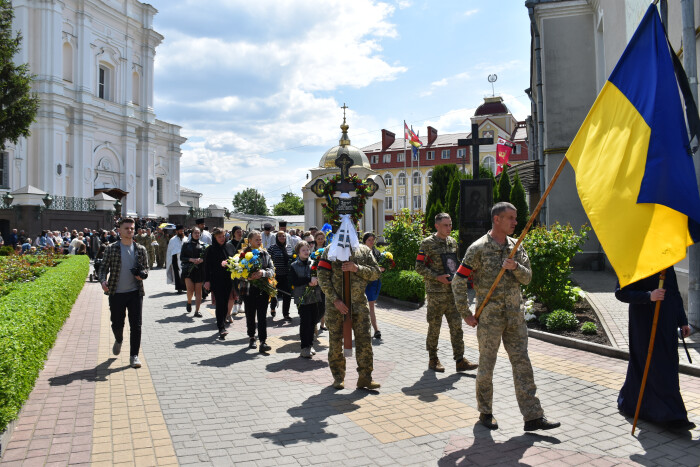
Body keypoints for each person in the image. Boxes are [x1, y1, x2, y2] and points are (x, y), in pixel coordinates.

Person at [452, 202, 559, 432]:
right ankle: (485, 412)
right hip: (490, 319)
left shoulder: (516, 246)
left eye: (516, 218)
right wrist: (466, 314)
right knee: (486, 366)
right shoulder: (478, 248)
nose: (515, 222)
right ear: (497, 219)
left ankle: (533, 416)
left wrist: (515, 266)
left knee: (523, 364)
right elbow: (458, 280)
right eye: (510, 218)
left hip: (515, 318)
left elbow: (528, 277)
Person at [615, 267, 695, 431]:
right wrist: (648, 296)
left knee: (667, 364)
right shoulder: (635, 262)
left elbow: (673, 292)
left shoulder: (666, 262)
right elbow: (621, 292)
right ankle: (671, 415)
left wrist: (682, 320)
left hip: (666, 322)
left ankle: (650, 408)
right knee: (646, 364)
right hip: (644, 323)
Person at [317, 235, 381, 390]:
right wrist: (335, 300)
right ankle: (338, 377)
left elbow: (376, 273)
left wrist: (356, 268)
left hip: (359, 304)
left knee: (364, 341)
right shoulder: (330, 250)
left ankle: (365, 378)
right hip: (336, 306)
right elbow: (322, 277)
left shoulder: (364, 251)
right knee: (335, 342)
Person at [416, 212, 478, 373]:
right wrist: (437, 277)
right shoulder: (427, 243)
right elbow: (419, 267)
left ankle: (460, 360)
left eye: (450, 224)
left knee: (456, 327)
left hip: (452, 293)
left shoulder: (452, 242)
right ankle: (433, 359)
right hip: (436, 294)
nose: (449, 227)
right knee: (434, 328)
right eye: (445, 225)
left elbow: (455, 264)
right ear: (437, 226)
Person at [99, 217, 149, 369]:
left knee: (136, 325)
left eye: (132, 228)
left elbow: (146, 268)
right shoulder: (111, 248)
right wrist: (102, 281)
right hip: (116, 292)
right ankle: (119, 339)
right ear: (119, 230)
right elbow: (102, 269)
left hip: (135, 293)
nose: (130, 231)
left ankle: (134, 356)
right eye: (126, 228)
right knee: (117, 322)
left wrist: (143, 274)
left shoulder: (140, 249)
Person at [241, 230, 275, 352]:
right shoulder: (243, 254)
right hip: (249, 290)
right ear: (249, 240)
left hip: (262, 290)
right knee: (250, 315)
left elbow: (271, 270)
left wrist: (263, 273)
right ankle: (251, 337)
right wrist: (246, 276)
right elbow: (237, 271)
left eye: (260, 239)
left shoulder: (264, 253)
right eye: (257, 239)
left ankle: (263, 341)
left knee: (262, 316)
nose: (259, 241)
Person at [290, 241, 324, 358]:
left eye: (307, 250)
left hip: (314, 296)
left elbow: (320, 276)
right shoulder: (294, 265)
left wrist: (317, 280)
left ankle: (310, 344)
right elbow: (294, 282)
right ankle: (304, 347)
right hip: (302, 298)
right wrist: (308, 280)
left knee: (313, 322)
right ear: (298, 252)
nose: (306, 252)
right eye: (303, 250)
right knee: (305, 322)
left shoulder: (314, 263)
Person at [204, 228, 236, 340]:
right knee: (220, 303)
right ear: (215, 238)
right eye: (219, 237)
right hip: (216, 280)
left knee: (225, 302)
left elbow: (236, 260)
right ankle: (221, 327)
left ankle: (223, 321)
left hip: (228, 279)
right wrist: (207, 281)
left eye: (223, 236)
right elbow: (206, 267)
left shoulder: (230, 246)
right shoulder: (210, 250)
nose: (222, 239)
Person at [180, 227, 206, 318]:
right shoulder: (186, 244)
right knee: (190, 290)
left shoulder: (203, 245)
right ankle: (189, 302)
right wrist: (190, 259)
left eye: (198, 233)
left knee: (198, 291)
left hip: (199, 270)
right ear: (191, 234)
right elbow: (182, 258)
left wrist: (202, 259)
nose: (197, 234)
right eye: (195, 232)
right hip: (189, 270)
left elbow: (206, 258)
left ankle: (197, 311)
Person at [362, 232, 384, 339]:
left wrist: (383, 268)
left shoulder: (377, 252)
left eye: (373, 239)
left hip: (374, 282)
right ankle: (368, 329)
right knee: (363, 306)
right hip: (362, 282)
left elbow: (381, 265)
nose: (371, 242)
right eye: (369, 240)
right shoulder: (360, 252)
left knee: (371, 306)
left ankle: (376, 330)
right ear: (364, 241)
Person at [268, 230, 293, 321]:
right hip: (275, 275)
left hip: (286, 276)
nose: (282, 238)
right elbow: (268, 261)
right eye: (279, 236)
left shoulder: (289, 247)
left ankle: (286, 314)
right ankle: (273, 308)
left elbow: (292, 259)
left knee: (287, 295)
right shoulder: (272, 248)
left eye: (283, 236)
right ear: (276, 238)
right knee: (274, 294)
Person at [226, 226, 245, 320]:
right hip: (234, 268)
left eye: (240, 231)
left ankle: (241, 304)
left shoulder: (244, 242)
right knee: (234, 286)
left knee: (242, 286)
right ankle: (234, 306)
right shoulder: (229, 244)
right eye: (237, 232)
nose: (240, 233)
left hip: (243, 267)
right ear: (233, 233)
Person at [166, 225, 186, 294]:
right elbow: (169, 251)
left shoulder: (186, 239)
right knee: (177, 274)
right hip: (175, 259)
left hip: (184, 259)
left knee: (185, 273)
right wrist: (169, 260)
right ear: (176, 231)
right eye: (180, 231)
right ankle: (179, 288)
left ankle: (185, 287)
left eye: (182, 231)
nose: (181, 232)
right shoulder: (172, 240)